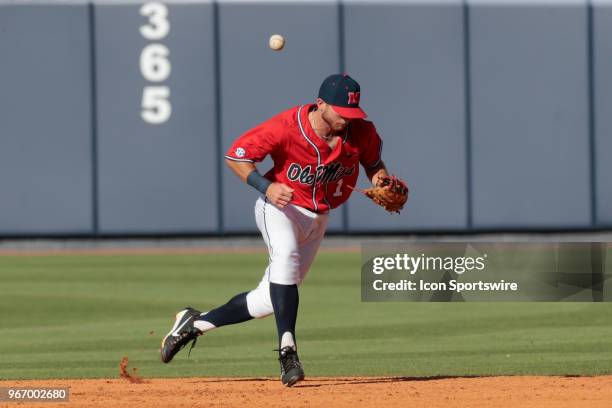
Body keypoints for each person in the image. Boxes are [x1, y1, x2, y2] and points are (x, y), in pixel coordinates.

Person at [160, 74, 394, 387]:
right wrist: (266, 186)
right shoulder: (286, 126)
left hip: (319, 218)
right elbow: (236, 156)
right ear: (320, 104)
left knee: (269, 300)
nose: (346, 119)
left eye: (352, 113)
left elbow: (374, 164)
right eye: (341, 112)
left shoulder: (360, 131)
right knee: (284, 259)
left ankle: (195, 323)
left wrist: (382, 182)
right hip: (280, 209)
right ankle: (288, 352)